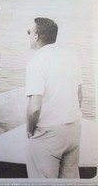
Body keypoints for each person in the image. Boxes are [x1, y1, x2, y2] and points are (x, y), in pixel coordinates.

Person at [25, 17, 83, 178]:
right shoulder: (72, 57)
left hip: (48, 134)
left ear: (36, 36)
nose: (28, 35)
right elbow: (79, 97)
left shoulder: (36, 61)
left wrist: (30, 130)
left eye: (29, 32)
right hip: (73, 129)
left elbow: (35, 107)